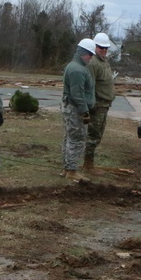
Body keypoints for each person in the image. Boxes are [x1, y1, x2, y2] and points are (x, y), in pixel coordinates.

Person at [61, 38, 96, 182]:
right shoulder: (77, 70)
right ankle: (71, 170)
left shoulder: (76, 66)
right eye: (90, 54)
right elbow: (77, 94)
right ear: (83, 53)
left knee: (69, 138)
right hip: (76, 110)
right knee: (76, 139)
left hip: (73, 108)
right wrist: (85, 111)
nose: (91, 58)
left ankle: (67, 167)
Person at [82, 32, 115, 173]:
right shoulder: (93, 63)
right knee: (93, 136)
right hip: (97, 105)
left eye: (106, 48)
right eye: (101, 47)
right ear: (95, 46)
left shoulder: (104, 62)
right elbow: (90, 86)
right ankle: (88, 165)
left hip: (104, 105)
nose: (104, 50)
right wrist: (91, 105)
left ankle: (89, 163)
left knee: (98, 135)